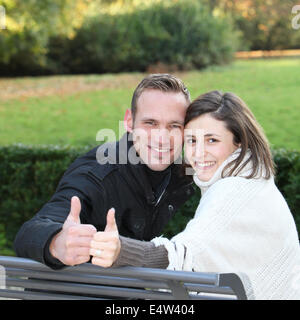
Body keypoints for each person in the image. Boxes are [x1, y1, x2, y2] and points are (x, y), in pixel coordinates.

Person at [90, 90, 300, 300]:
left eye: (212, 140)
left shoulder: (235, 190)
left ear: (239, 142)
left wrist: (120, 249)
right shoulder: (253, 183)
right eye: (191, 141)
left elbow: (182, 256)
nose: (198, 154)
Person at [13, 73, 195, 269]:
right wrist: (57, 243)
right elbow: (30, 232)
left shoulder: (183, 175)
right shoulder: (98, 172)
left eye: (174, 126)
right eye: (150, 123)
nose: (162, 138)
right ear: (129, 122)